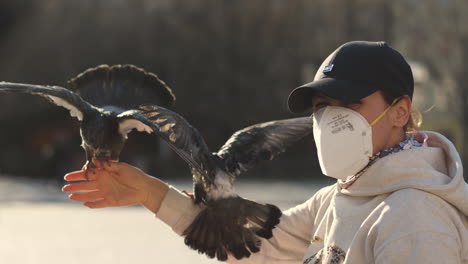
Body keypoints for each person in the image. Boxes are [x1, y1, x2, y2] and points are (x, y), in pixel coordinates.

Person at [63, 41, 468, 263]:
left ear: (399, 112)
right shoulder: (338, 198)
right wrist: (150, 193)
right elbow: (257, 249)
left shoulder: (416, 220)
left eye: (350, 105)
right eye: (322, 109)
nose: (331, 122)